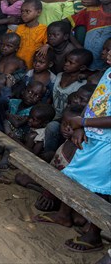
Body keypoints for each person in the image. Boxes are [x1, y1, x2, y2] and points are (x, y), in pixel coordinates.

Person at [32, 50, 111, 254]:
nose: (108, 52)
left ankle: (94, 235)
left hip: (107, 144)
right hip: (91, 136)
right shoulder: (108, 72)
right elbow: (95, 101)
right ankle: (63, 215)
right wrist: (80, 127)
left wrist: (83, 122)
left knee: (100, 189)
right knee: (72, 175)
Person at [67, 0, 111, 70]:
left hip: (106, 67)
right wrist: (78, 46)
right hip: (86, 65)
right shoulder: (91, 10)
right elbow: (67, 22)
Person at [14, 0, 47, 69]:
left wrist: (47, 45)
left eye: (27, 11)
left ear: (38, 12)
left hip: (32, 67)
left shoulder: (44, 29)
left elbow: (49, 43)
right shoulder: (18, 28)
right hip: (15, 65)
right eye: (22, 11)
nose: (23, 14)